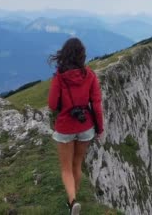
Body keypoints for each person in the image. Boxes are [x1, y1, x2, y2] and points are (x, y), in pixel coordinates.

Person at [48, 38, 104, 215]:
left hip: (65, 127)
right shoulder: (90, 76)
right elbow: (96, 104)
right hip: (85, 126)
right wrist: (100, 128)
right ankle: (74, 200)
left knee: (66, 168)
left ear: (64, 55)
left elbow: (51, 104)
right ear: (82, 55)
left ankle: (72, 202)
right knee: (77, 165)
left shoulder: (60, 77)